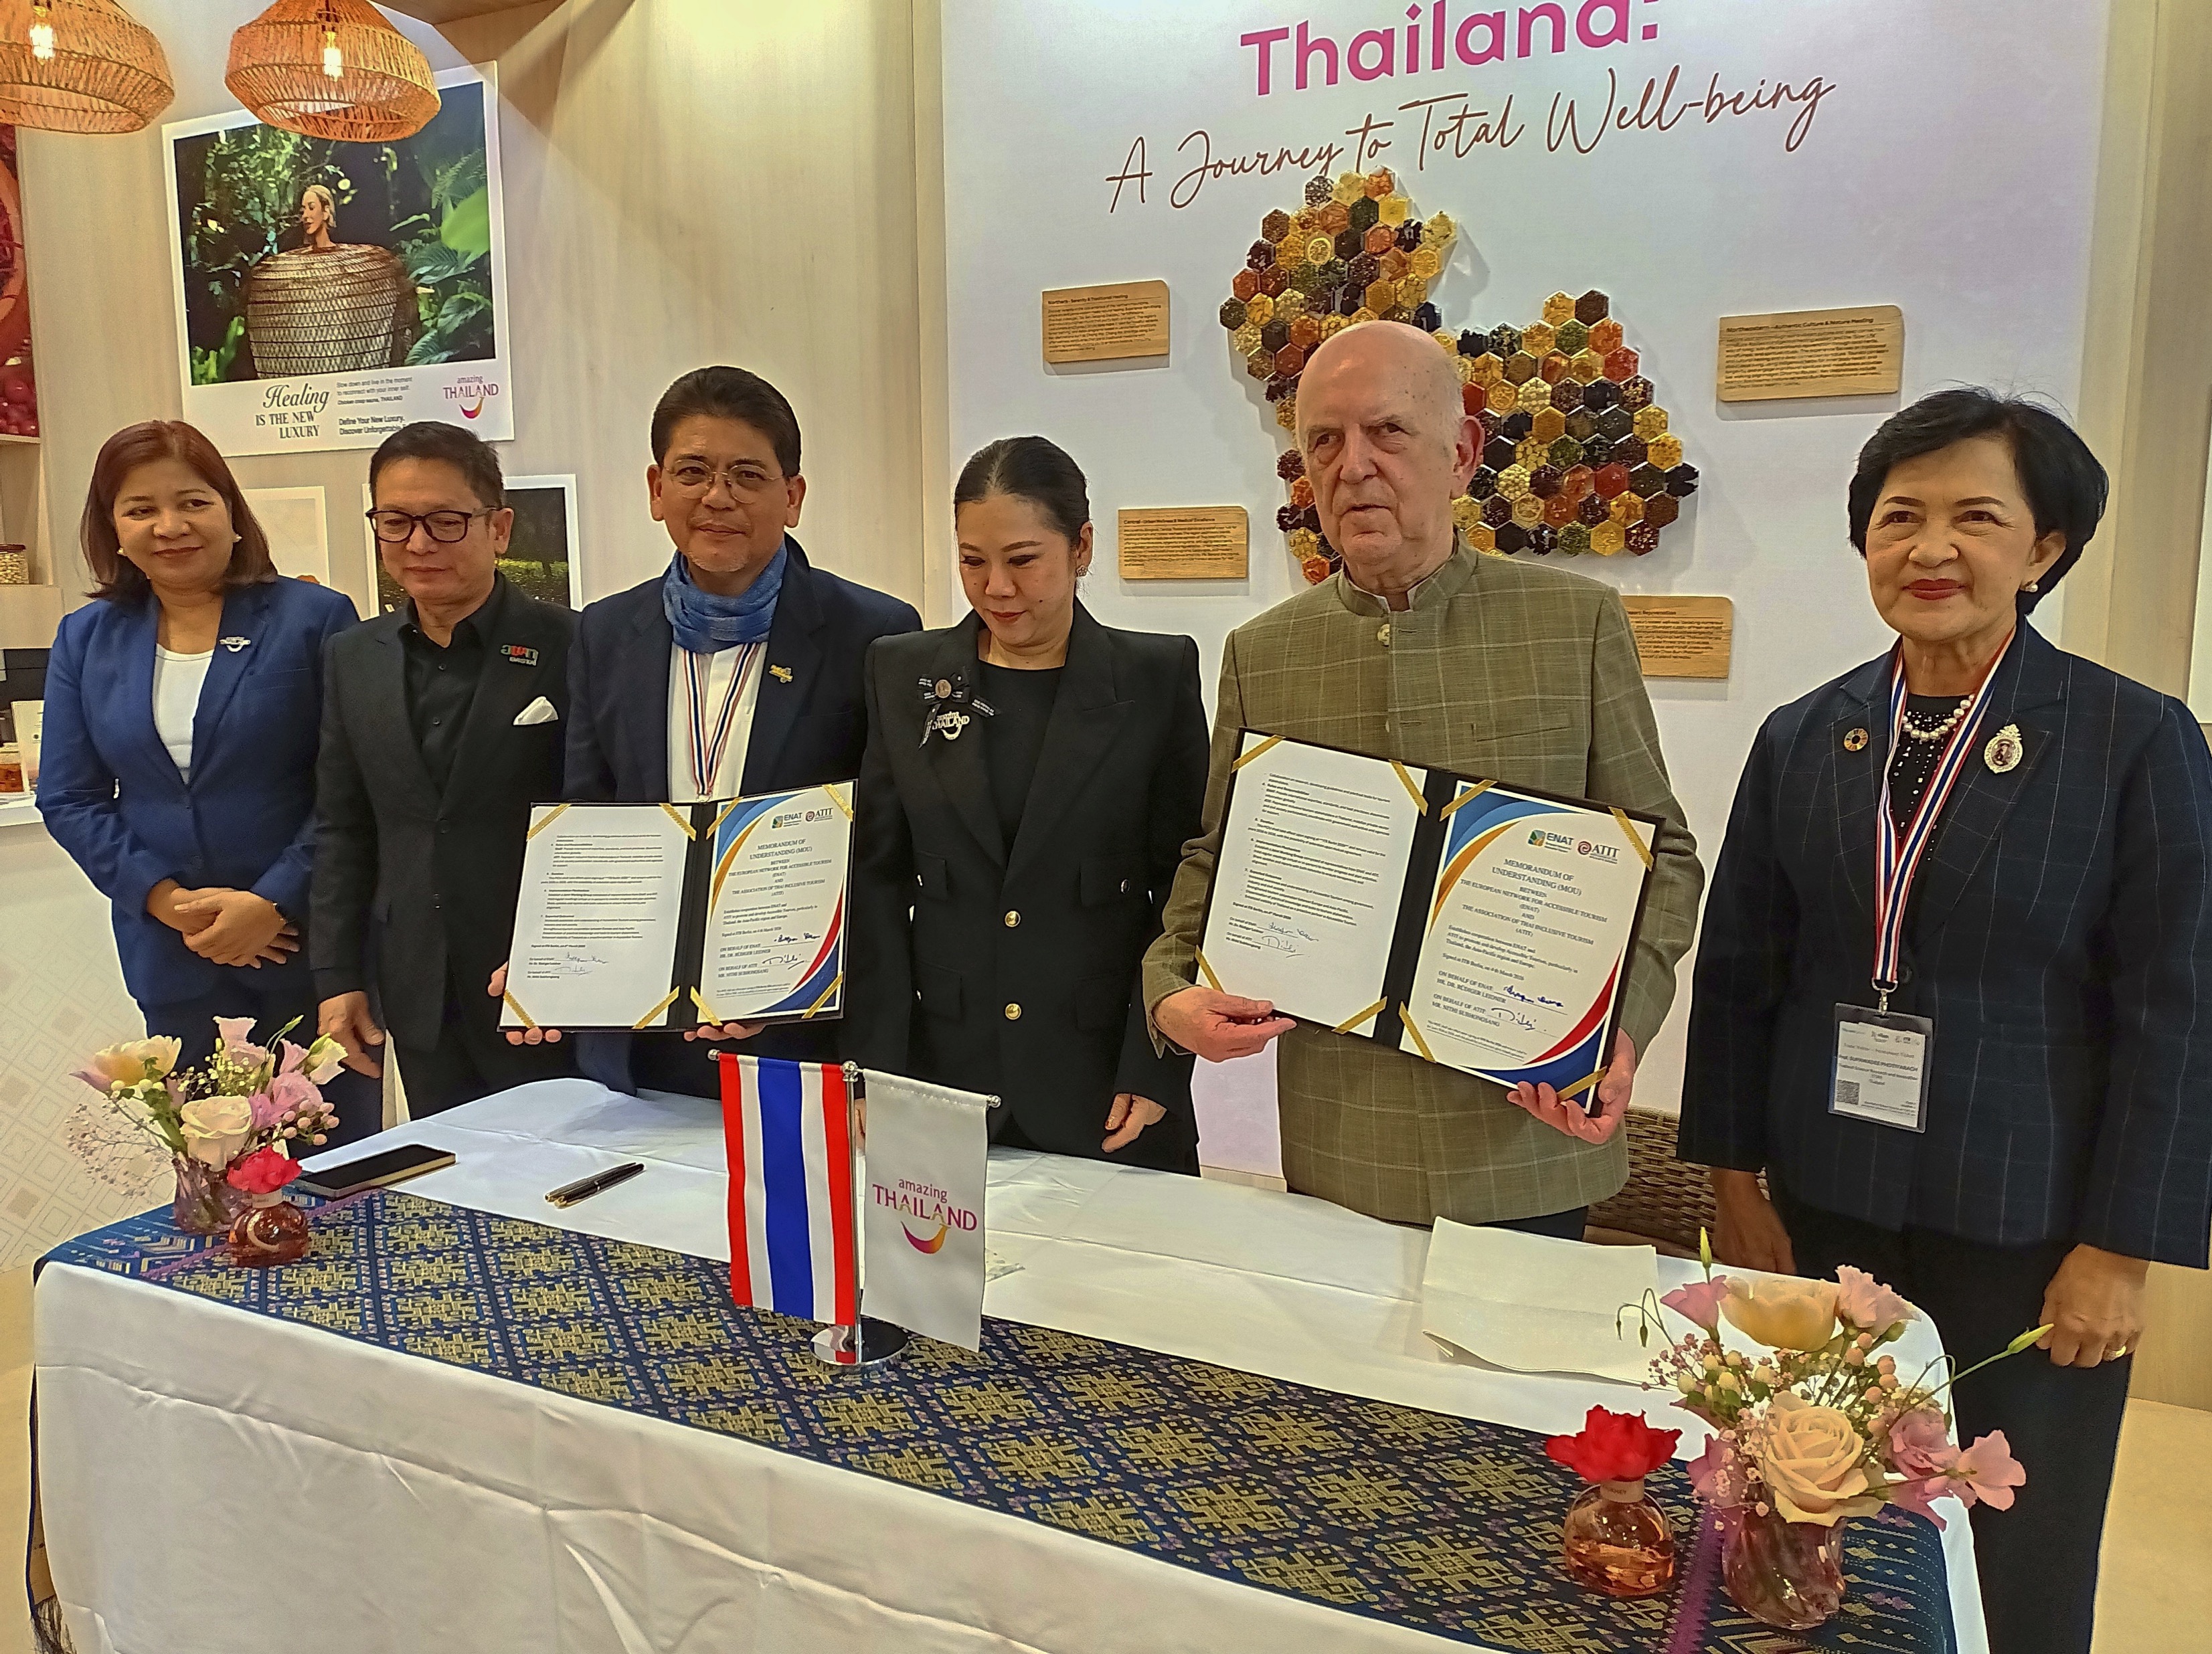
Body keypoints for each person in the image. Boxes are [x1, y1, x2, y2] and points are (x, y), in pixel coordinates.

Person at [1679, 389, 2212, 1654]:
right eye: (1899, 517)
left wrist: (2120, 1250)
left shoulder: (2135, 738)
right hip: (1825, 1206)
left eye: (1975, 517)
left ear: (2044, 547)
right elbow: (1743, 971)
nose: (1931, 548)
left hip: (2027, 1230)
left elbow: (2178, 1007)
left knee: (2011, 1535)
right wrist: (1734, 1181)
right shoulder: (1805, 735)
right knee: (1811, 1510)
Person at [1143, 321, 1704, 1232]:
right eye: (1324, 441)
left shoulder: (1574, 626)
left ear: (1462, 454)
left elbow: (1663, 857)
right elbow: (1219, 854)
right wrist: (1169, 986)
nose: (1353, 465)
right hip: (1337, 1142)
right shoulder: (1264, 654)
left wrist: (1618, 1029)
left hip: (1527, 1144)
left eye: (1388, 432)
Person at [505, 366, 920, 1099]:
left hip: (800, 1036)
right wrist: (556, 958)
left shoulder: (873, 634)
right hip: (641, 1040)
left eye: (746, 475)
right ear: (655, 488)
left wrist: (782, 980)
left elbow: (883, 845)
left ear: (792, 496)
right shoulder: (605, 632)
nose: (717, 496)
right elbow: (590, 814)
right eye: (692, 472)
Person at [851, 438, 1209, 1167]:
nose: (996, 588)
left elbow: (1184, 885)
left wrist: (1157, 1063)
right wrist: (871, 1068)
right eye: (971, 561)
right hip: (943, 1077)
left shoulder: (1154, 675)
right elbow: (876, 883)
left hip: (1104, 1078)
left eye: (1022, 560)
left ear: (1081, 547)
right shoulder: (901, 672)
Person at [41, 420, 378, 1141]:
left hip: (306, 950)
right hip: (175, 960)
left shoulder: (313, 617)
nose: (170, 526)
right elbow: (70, 796)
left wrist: (270, 900)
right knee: (210, 1175)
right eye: (141, 509)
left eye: (192, 502)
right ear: (112, 528)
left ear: (230, 510)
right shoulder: (86, 636)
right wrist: (168, 903)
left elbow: (352, 784)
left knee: (333, 1168)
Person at [313, 422, 578, 1116]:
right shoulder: (352, 657)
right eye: (395, 522)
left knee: (568, 1168)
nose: (419, 544)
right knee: (448, 1168)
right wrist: (337, 975)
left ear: (499, 528)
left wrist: (567, 952)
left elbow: (603, 814)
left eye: (446, 521)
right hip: (416, 984)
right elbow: (343, 827)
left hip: (541, 985)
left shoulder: (574, 644)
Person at [243, 183, 414, 378]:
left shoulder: (350, 264)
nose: (306, 216)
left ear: (326, 212)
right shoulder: (292, 264)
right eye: (303, 210)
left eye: (311, 208)